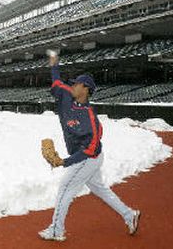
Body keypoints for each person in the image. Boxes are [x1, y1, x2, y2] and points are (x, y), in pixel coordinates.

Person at [38, 52, 141, 242]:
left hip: (88, 158)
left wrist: (64, 162)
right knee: (100, 189)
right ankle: (129, 215)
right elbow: (56, 80)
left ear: (85, 89)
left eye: (77, 83)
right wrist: (54, 62)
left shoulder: (90, 118)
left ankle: (56, 231)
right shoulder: (66, 95)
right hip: (84, 156)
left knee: (65, 189)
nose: (73, 85)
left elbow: (90, 150)